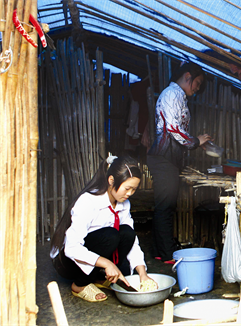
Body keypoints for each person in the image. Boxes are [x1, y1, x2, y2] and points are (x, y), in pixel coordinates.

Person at [50, 155, 155, 302]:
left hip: (96, 250)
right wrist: (107, 263)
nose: (130, 193)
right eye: (127, 188)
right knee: (111, 235)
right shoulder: (88, 201)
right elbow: (71, 248)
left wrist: (142, 273)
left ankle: (99, 277)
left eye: (134, 189)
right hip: (67, 262)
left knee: (127, 233)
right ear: (111, 181)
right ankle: (79, 285)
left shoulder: (124, 204)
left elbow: (132, 241)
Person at [146, 62, 212, 263]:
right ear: (187, 76)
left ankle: (160, 250)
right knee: (165, 206)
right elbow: (174, 130)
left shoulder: (178, 96)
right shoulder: (172, 94)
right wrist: (194, 141)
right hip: (163, 158)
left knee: (165, 206)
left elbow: (175, 129)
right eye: (197, 83)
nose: (197, 88)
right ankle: (166, 255)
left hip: (167, 158)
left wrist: (194, 142)